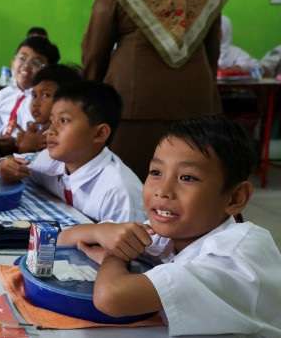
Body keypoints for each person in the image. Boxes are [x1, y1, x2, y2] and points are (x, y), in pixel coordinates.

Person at [69, 116, 281, 336]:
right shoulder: (176, 230)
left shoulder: (234, 255)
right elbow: (66, 237)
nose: (163, 191)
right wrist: (100, 231)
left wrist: (115, 255)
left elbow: (111, 297)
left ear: (235, 198)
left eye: (187, 178)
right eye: (156, 172)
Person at [82, 0, 226, 181]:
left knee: (130, 181)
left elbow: (95, 49)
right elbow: (213, 52)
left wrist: (90, 97)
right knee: (189, 181)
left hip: (133, 103)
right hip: (197, 101)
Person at [0, 81, 144, 223]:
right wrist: (6, 167)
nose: (50, 131)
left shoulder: (119, 192)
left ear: (99, 133)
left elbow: (133, 239)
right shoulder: (51, 160)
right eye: (52, 121)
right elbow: (13, 163)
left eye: (63, 120)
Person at [0, 36, 59, 158]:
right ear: (12, 62)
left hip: (29, 156)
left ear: (48, 70)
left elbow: (41, 139)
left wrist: (17, 143)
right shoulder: (1, 95)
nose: (26, 66)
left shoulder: (44, 102)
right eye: (22, 58)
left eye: (36, 63)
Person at [15, 64, 82, 155]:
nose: (36, 103)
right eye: (34, 95)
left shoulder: (64, 136)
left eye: (46, 95)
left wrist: (26, 147)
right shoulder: (37, 131)